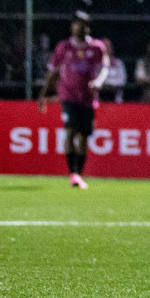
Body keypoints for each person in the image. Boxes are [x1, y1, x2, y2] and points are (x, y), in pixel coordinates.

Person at [36, 11, 109, 188]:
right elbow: (52, 73)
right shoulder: (63, 47)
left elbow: (105, 68)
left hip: (88, 98)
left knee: (83, 136)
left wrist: (98, 81)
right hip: (67, 96)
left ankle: (79, 173)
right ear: (72, 25)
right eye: (78, 23)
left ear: (88, 26)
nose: (81, 26)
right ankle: (73, 174)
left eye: (84, 23)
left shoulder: (97, 47)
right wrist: (42, 95)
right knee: (70, 132)